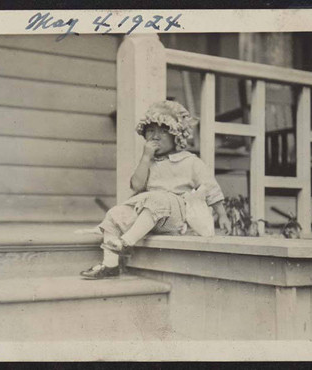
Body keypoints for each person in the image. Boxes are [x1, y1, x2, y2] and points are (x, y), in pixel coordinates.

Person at [80, 100, 231, 280]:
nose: (155, 136)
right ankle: (110, 264)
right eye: (151, 131)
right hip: (151, 215)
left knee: (157, 199)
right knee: (115, 213)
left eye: (163, 131)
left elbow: (210, 187)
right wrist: (145, 158)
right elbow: (136, 186)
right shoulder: (149, 162)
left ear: (177, 135)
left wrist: (222, 214)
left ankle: (126, 242)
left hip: (176, 215)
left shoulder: (190, 162)